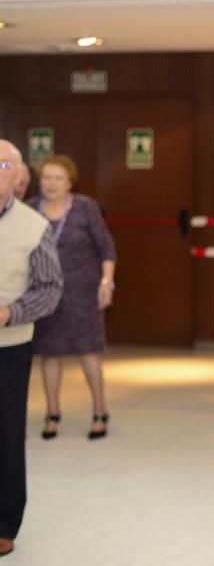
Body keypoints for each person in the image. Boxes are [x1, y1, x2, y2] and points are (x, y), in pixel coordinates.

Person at [0, 140, 63, 558]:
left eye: (3, 164)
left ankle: (4, 522)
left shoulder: (33, 225)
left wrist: (10, 312)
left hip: (9, 345)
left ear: (17, 176)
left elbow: (50, 288)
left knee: (5, 436)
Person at [27, 155, 116, 440]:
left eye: (58, 178)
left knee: (88, 352)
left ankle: (99, 411)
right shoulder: (30, 209)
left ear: (69, 182)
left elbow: (106, 249)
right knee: (49, 353)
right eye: (46, 178)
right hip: (44, 293)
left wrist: (106, 282)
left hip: (82, 292)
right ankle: (52, 414)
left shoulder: (85, 208)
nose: (51, 184)